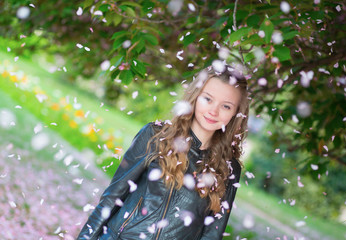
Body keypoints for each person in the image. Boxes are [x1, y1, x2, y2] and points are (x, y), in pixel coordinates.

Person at [76, 65, 249, 240]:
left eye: (226, 106)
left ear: (236, 113)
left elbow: (212, 234)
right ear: (196, 96)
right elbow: (111, 199)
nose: (214, 111)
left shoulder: (229, 167)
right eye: (208, 99)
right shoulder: (155, 136)